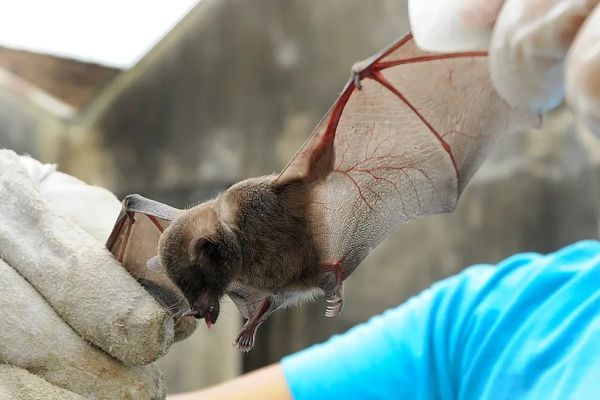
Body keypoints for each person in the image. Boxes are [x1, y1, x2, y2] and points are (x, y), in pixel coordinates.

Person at [0, 1, 598, 399]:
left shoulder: (283, 198)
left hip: (317, 254)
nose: (209, 306)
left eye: (207, 292)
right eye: (209, 297)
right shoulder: (484, 327)